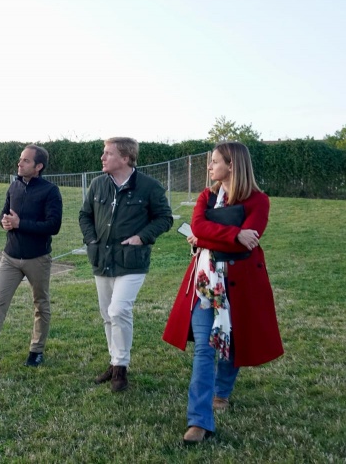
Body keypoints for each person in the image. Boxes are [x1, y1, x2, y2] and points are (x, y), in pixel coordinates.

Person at [162, 141, 284, 444]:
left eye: (214, 161)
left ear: (232, 165)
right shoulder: (207, 196)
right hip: (206, 285)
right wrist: (233, 233)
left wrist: (206, 238)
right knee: (205, 349)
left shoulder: (258, 201)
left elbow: (247, 244)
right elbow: (198, 226)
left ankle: (222, 391)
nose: (209, 167)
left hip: (242, 285)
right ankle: (199, 421)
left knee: (233, 343)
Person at [0, 144, 63, 376]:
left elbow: (53, 226)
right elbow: (4, 213)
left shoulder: (50, 191)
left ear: (38, 166)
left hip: (37, 259)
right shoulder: (14, 186)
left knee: (41, 304)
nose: (19, 163)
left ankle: (36, 351)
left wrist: (20, 223)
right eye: (20, 159)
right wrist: (4, 222)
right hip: (10, 257)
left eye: (26, 160)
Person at [79, 137, 174, 391]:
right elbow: (85, 215)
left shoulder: (149, 187)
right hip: (101, 260)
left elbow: (165, 218)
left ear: (125, 158)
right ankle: (114, 362)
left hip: (132, 261)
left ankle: (120, 368)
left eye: (108, 153)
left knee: (119, 310)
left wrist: (142, 237)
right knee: (107, 315)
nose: (102, 158)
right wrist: (91, 240)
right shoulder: (98, 184)